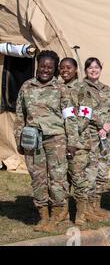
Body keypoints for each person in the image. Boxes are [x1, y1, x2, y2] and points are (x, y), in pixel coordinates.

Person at [15, 50, 75, 232]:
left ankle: (59, 215)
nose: (45, 70)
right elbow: (20, 115)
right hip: (33, 140)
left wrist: (71, 141)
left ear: (54, 68)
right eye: (42, 66)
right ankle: (43, 216)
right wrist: (19, 140)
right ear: (37, 66)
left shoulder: (61, 89)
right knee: (38, 178)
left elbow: (70, 117)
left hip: (56, 139)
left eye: (49, 67)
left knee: (58, 179)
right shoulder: (26, 86)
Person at [83, 57, 110, 221]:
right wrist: (100, 124)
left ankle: (97, 205)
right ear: (86, 70)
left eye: (96, 67)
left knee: (103, 170)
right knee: (90, 171)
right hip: (90, 136)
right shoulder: (81, 88)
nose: (94, 70)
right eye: (90, 67)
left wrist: (108, 124)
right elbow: (83, 110)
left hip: (106, 137)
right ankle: (87, 208)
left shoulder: (108, 89)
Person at [59, 58, 91, 226]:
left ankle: (80, 212)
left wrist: (72, 135)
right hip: (58, 141)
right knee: (62, 179)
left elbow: (86, 114)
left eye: (69, 67)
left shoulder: (82, 88)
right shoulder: (56, 87)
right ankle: (63, 211)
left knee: (78, 178)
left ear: (75, 69)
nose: (65, 70)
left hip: (78, 143)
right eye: (62, 67)